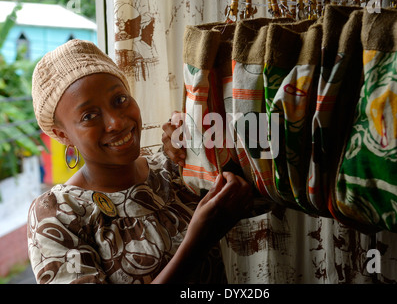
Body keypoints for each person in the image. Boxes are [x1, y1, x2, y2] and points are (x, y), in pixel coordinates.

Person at [27, 39, 253, 284]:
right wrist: (197, 243)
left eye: (120, 100)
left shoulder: (174, 169)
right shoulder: (58, 215)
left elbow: (262, 191)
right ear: (62, 135)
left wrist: (206, 133)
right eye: (89, 116)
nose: (117, 122)